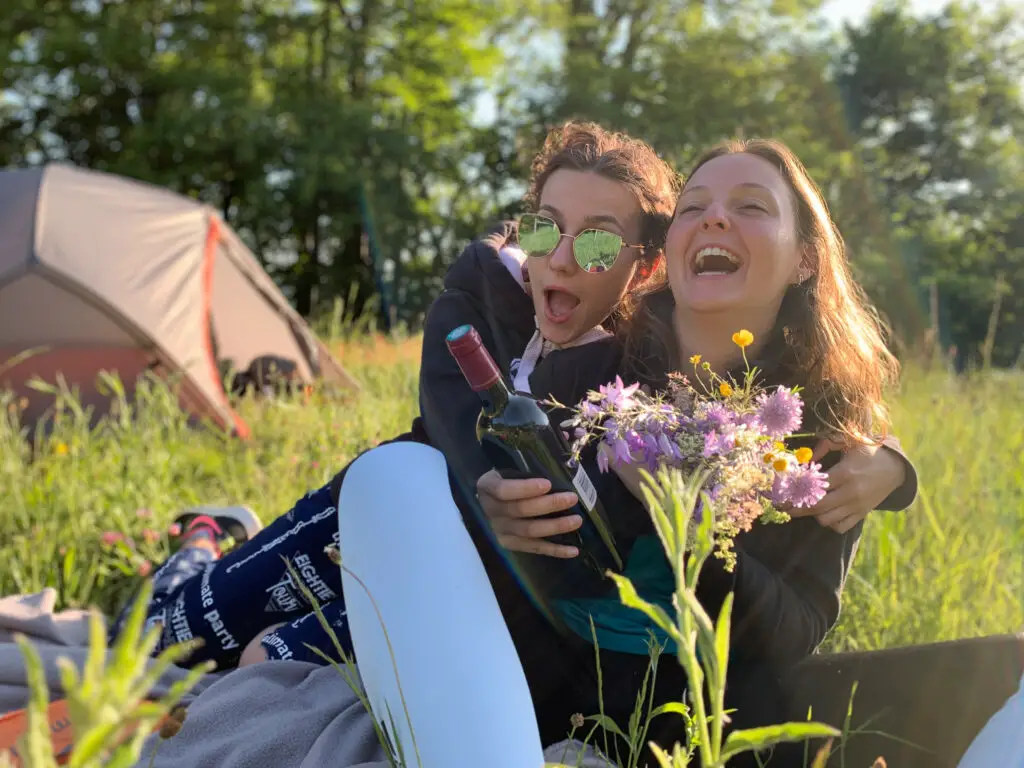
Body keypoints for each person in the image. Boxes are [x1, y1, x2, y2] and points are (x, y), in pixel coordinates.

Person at [116, 125, 915, 710]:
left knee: (260, 658)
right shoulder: (552, 331)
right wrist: (490, 486)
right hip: (394, 506)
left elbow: (773, 599)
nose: (563, 258)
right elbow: (457, 405)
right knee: (165, 635)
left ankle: (217, 554)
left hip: (477, 597)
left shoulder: (771, 409)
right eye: (544, 230)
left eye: (600, 245)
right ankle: (203, 540)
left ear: (640, 266)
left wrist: (889, 467)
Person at [473, 136, 915, 764]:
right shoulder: (591, 375)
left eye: (753, 206)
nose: (713, 217)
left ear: (805, 261)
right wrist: (491, 509)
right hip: (536, 690)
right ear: (669, 249)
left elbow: (795, 631)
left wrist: (681, 515)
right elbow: (511, 546)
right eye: (693, 206)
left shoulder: (826, 429)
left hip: (703, 720)